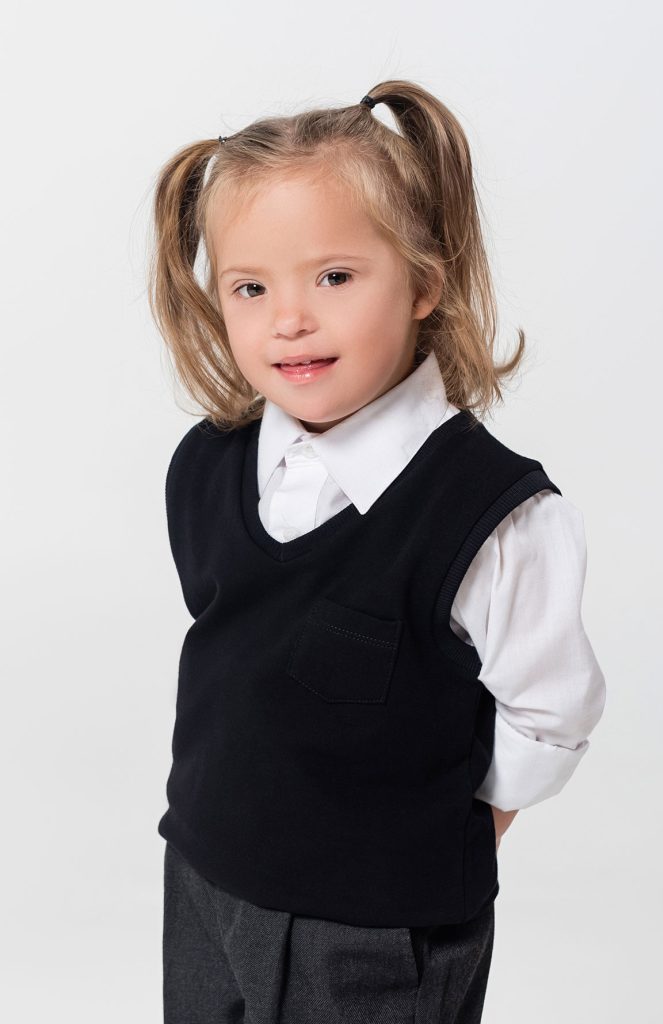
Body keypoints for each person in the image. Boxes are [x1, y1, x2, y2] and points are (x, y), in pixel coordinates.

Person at [147, 79, 606, 1024]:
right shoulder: (210, 465)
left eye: (334, 277)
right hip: (203, 875)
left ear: (423, 281)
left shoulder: (487, 514)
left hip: (374, 934)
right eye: (251, 287)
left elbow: (549, 711)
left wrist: (449, 832)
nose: (289, 318)